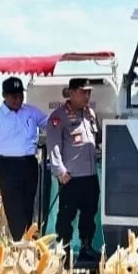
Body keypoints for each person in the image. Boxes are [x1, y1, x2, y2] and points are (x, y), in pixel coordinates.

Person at [0, 76, 49, 240]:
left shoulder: (31, 112)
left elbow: (48, 123)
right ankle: (19, 243)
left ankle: (30, 240)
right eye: (14, 96)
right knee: (14, 207)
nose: (18, 100)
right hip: (7, 166)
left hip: (29, 164)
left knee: (30, 205)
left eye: (20, 96)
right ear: (4, 96)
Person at [45, 78, 101, 262]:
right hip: (71, 177)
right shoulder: (58, 117)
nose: (87, 96)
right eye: (83, 92)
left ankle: (86, 246)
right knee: (66, 216)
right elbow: (53, 146)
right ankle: (64, 249)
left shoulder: (89, 114)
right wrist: (60, 171)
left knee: (89, 214)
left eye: (89, 92)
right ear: (71, 92)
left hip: (90, 175)